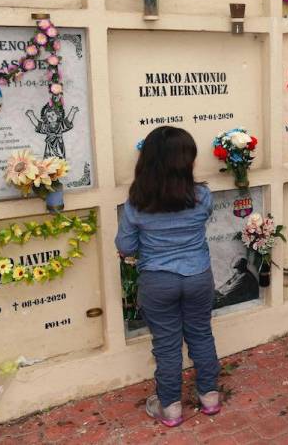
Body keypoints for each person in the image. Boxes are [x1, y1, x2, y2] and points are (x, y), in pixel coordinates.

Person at [115, 126, 222, 428]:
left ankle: (171, 408)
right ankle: (210, 398)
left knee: (166, 344)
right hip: (198, 276)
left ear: (148, 160)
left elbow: (125, 246)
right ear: (186, 160)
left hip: (157, 280)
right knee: (201, 334)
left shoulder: (137, 201)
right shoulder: (202, 195)